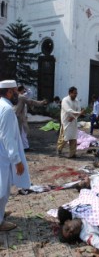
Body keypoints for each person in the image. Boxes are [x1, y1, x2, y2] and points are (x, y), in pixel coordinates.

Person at [0, 80, 30, 231]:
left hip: (2, 154)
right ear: (9, 92)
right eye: (15, 91)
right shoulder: (6, 109)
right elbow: (8, 138)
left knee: (3, 187)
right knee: (3, 189)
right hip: (3, 157)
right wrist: (17, 160)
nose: (18, 94)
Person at [14, 85, 47, 151]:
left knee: (20, 133)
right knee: (23, 133)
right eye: (23, 90)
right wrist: (41, 103)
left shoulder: (14, 96)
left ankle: (22, 147)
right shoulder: (21, 97)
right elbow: (31, 102)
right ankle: (25, 147)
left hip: (17, 117)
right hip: (20, 118)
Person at [57, 86, 85, 158]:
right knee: (64, 137)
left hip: (73, 121)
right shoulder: (65, 100)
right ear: (70, 93)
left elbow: (78, 109)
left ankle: (72, 154)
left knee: (73, 137)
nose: (76, 95)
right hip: (66, 121)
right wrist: (78, 113)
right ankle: (59, 149)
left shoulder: (76, 100)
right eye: (74, 93)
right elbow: (68, 110)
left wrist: (74, 117)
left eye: (76, 93)